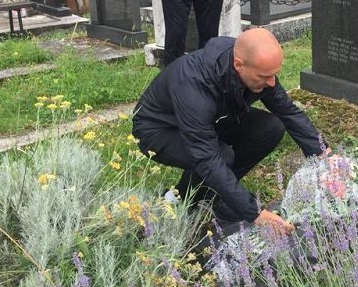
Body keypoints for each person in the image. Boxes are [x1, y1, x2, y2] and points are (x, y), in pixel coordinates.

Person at [132, 28, 327, 235]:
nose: (272, 83)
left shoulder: (253, 65)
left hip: (213, 118)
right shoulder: (194, 84)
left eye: (274, 75)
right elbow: (206, 157)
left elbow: (287, 111)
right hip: (159, 129)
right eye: (265, 76)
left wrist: (323, 154)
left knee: (271, 127)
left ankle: (218, 195)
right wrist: (255, 214)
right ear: (238, 65)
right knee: (221, 156)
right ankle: (180, 199)